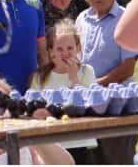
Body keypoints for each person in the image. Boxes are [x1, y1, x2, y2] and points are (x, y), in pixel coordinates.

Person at [76, 0, 138, 164]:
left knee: (116, 160)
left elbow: (128, 67)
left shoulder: (126, 19)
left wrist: (93, 85)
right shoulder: (81, 19)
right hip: (88, 108)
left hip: (117, 109)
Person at [28, 21, 98, 164]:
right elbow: (31, 107)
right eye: (59, 49)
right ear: (51, 51)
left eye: (70, 48)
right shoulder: (39, 76)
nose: (65, 52)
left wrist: (74, 78)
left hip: (79, 140)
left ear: (78, 48)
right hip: (52, 142)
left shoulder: (86, 71)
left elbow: (90, 104)